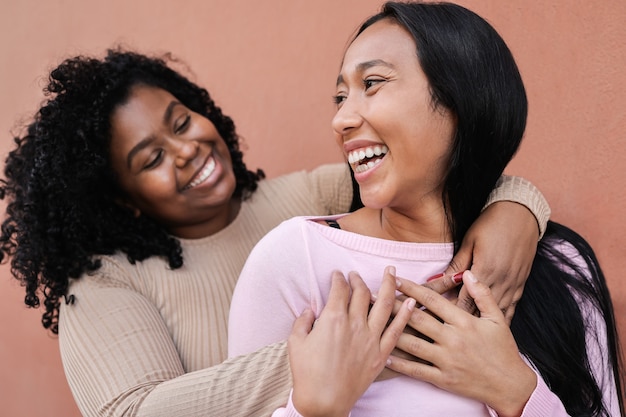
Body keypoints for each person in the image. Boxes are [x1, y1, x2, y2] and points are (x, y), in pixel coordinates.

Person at [0, 47, 548, 416]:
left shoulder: (301, 201)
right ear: (122, 198)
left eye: (182, 121)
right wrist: (330, 356)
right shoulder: (104, 286)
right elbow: (136, 412)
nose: (187, 150)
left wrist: (516, 210)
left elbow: (432, 174)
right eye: (151, 159)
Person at [228, 2, 625, 416]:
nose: (341, 119)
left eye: (373, 82)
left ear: (461, 99)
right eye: (341, 96)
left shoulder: (559, 264)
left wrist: (516, 391)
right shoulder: (295, 261)